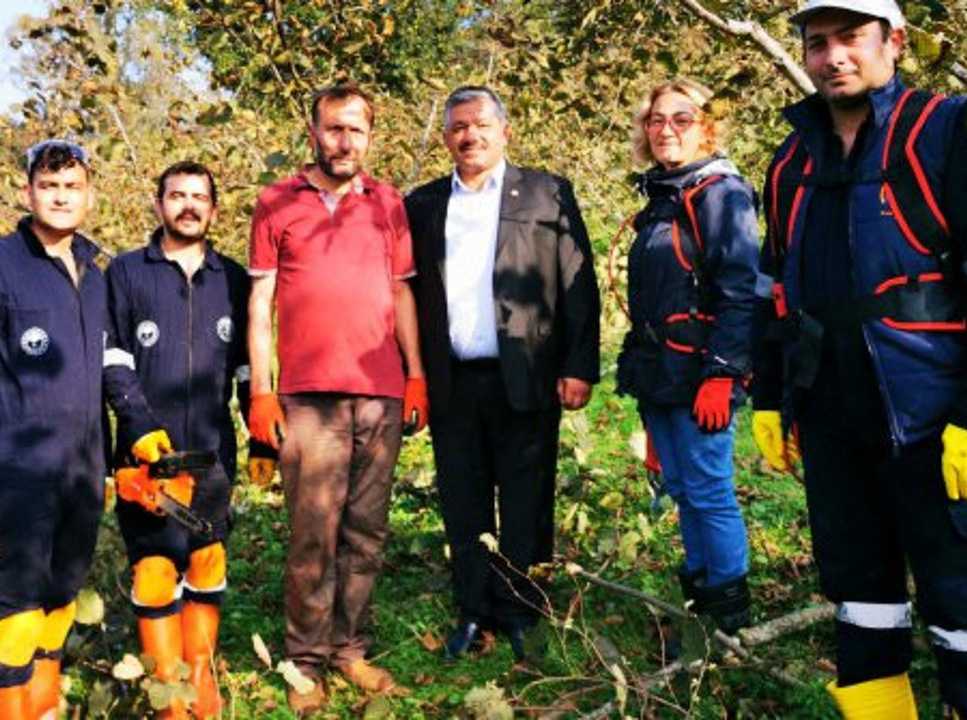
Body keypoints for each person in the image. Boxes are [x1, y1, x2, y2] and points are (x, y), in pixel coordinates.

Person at [752, 1, 967, 715]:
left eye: (851, 37)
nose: (833, 56)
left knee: (958, 600)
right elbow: (774, 290)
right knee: (861, 599)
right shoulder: (789, 162)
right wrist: (769, 400)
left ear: (895, 43)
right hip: (832, 419)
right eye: (818, 43)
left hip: (932, 420)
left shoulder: (944, 131)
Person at [246, 84, 427, 714]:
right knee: (312, 532)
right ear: (313, 132)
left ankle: (350, 650)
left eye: (356, 130)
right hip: (308, 398)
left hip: (378, 392)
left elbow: (403, 294)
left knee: (366, 531)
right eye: (333, 129)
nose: (344, 141)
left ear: (370, 137)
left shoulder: (389, 204)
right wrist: (262, 391)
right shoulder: (276, 202)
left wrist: (416, 375)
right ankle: (306, 660)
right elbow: (260, 303)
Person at [404, 86, 600, 662]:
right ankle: (472, 609)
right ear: (446, 138)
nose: (471, 135)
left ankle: (520, 608)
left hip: (529, 372)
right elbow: (404, 295)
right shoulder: (422, 203)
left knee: (525, 495)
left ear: (505, 131)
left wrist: (578, 364)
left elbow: (576, 284)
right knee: (462, 498)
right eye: (459, 126)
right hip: (452, 377)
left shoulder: (546, 192)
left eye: (482, 124)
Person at [0, 140, 110, 720]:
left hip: (82, 474)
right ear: (28, 191)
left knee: (58, 606)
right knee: (15, 616)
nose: (61, 197)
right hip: (14, 476)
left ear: (89, 195)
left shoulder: (95, 273)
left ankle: (46, 710)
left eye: (72, 186)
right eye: (49, 186)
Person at [104, 161, 274, 719]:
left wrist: (261, 435)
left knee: (206, 558)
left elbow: (249, 365)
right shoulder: (127, 273)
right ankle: (168, 694)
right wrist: (136, 424)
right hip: (146, 457)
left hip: (212, 452)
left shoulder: (232, 277)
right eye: (177, 196)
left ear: (215, 209)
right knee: (155, 570)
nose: (188, 205)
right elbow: (113, 360)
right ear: (159, 206)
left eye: (199, 197)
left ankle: (201, 679)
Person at [614, 78, 759, 637]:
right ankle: (700, 601)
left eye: (681, 118)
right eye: (656, 120)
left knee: (709, 489)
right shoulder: (662, 198)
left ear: (706, 127)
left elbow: (739, 287)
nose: (666, 129)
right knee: (681, 488)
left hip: (702, 374)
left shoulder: (720, 192)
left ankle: (729, 615)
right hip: (660, 374)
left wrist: (722, 373)